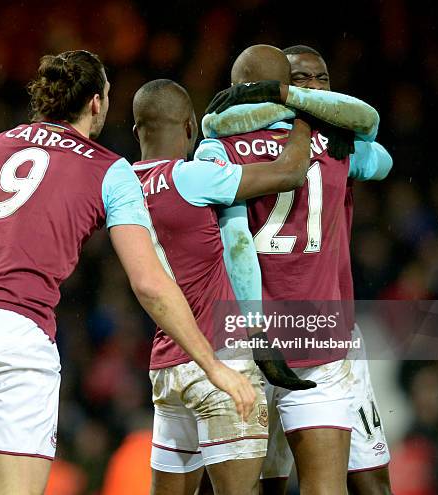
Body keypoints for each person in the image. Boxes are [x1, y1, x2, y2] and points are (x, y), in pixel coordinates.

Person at [0, 50, 256, 495]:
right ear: (95, 103)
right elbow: (148, 283)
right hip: (13, 339)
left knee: (0, 482)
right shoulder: (109, 168)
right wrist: (214, 366)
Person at [197, 44, 389, 494]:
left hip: (246, 336)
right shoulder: (336, 148)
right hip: (321, 333)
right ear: (283, 85)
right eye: (304, 81)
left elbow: (235, 239)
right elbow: (381, 157)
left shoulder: (217, 148)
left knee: (251, 487)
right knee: (328, 486)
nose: (316, 88)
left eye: (323, 80)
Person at [131, 78, 314, 495]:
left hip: (166, 366)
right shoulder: (193, 177)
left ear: (136, 129)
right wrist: (305, 118)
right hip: (221, 356)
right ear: (191, 128)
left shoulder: (120, 187)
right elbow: (290, 171)